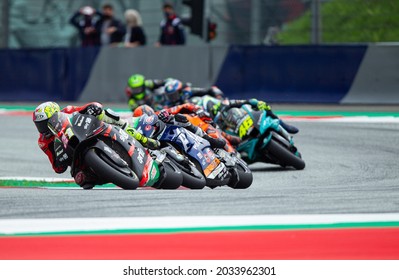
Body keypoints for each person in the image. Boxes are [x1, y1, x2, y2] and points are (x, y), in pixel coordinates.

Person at [32, 102, 160, 183]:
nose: (44, 128)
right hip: (75, 155)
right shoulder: (43, 141)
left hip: (86, 131)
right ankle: (106, 172)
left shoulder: (68, 111)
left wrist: (94, 108)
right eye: (40, 125)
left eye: (47, 122)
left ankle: (143, 139)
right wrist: (61, 159)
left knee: (107, 115)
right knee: (80, 180)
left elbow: (86, 107)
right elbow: (56, 166)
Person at [132, 105, 226, 149]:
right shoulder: (140, 130)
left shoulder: (157, 114)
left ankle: (209, 139)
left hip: (175, 130)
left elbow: (183, 106)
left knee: (182, 120)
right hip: (161, 142)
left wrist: (196, 109)